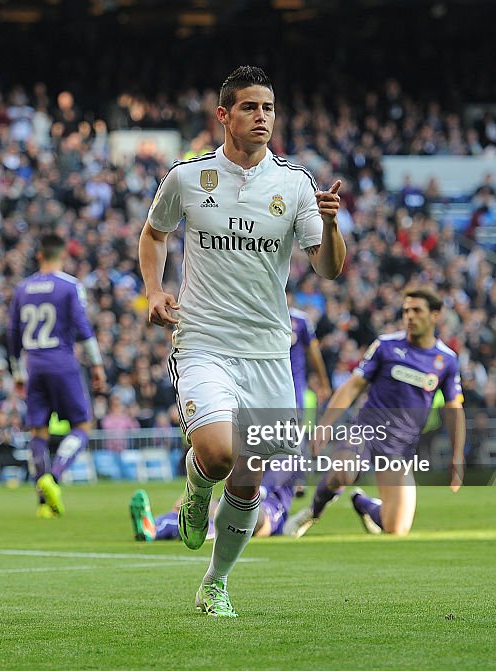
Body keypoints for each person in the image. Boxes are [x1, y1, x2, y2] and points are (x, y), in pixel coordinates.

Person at [138, 65, 345, 617]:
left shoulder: (295, 183)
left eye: (269, 109)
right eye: (251, 107)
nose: (262, 117)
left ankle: (216, 583)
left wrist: (332, 225)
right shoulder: (186, 177)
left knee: (250, 483)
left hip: (270, 352)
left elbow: (327, 268)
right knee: (218, 451)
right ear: (223, 116)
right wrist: (154, 291)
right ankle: (196, 489)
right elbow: (154, 234)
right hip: (204, 338)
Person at [284, 288, 465, 538]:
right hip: (366, 432)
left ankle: (364, 504)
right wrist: (326, 423)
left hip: (400, 448)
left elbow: (454, 410)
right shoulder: (386, 345)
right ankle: (312, 513)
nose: (409, 316)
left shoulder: (447, 360)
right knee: (343, 472)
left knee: (396, 529)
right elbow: (352, 387)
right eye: (406, 311)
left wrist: (457, 456)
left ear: (435, 315)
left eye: (417, 311)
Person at [8, 233, 106, 518]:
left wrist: (17, 371)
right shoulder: (69, 286)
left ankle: (43, 505)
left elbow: (12, 334)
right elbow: (82, 327)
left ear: (39, 255)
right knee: (83, 425)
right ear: (62, 255)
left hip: (34, 365)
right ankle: (55, 475)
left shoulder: (22, 288)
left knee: (38, 431)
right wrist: (97, 365)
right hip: (62, 362)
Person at [130, 461, 301, 542]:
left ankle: (206, 528)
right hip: (234, 498)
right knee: (188, 507)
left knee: (243, 512)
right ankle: (151, 528)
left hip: (271, 509)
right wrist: (194, 492)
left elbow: (273, 480)